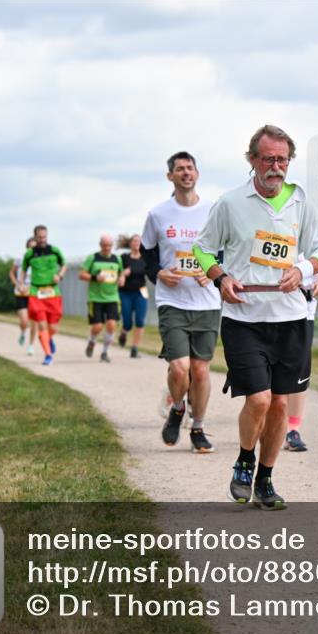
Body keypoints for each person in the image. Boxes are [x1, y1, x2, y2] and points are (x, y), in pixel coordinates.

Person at [193, 125, 318, 509]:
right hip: (244, 317)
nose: (276, 167)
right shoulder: (230, 203)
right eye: (268, 158)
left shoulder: (301, 203)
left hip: (291, 318)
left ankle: (266, 479)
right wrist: (220, 278)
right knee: (258, 400)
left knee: (279, 405)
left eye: (282, 159)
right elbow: (204, 250)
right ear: (252, 160)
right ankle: (244, 461)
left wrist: (304, 271)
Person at [141, 151, 220, 454]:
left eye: (190, 168)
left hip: (206, 302)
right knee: (179, 368)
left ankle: (198, 427)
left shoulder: (213, 211)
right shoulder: (158, 214)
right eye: (179, 169)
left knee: (200, 371)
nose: (186, 173)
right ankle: (177, 409)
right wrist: (159, 272)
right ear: (170, 176)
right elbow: (147, 256)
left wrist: (212, 273)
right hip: (172, 300)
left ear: (197, 174)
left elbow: (226, 251)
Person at [284, 270, 318, 452]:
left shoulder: (312, 244)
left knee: (298, 375)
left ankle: (293, 430)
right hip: (268, 313)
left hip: (304, 315)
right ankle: (266, 420)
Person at [22, 225, 67, 366]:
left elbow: (64, 264)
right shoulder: (29, 254)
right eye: (40, 237)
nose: (42, 239)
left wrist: (59, 276)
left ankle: (48, 338)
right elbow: (23, 270)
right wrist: (22, 284)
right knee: (42, 326)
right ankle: (48, 355)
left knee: (53, 328)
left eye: (44, 237)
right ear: (35, 237)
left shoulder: (55, 251)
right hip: (36, 292)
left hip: (53, 292)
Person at [79, 234, 123, 363]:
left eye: (109, 245)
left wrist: (121, 279)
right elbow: (81, 274)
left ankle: (104, 352)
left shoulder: (117, 259)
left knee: (111, 325)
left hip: (112, 297)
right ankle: (92, 341)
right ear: (100, 245)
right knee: (97, 326)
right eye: (105, 245)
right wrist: (94, 278)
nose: (107, 248)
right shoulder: (92, 258)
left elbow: (121, 274)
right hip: (96, 298)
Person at [117, 234, 149, 359]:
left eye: (139, 241)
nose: (137, 243)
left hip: (140, 293)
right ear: (130, 244)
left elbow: (152, 272)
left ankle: (134, 348)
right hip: (125, 293)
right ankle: (124, 333)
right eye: (134, 241)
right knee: (127, 322)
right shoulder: (124, 258)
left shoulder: (145, 259)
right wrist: (122, 274)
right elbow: (116, 271)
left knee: (140, 321)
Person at [10, 238, 38, 354]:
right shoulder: (20, 259)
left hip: (34, 293)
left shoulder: (39, 261)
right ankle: (22, 332)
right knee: (24, 321)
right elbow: (11, 272)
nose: (32, 249)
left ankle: (31, 345)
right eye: (30, 246)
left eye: (34, 247)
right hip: (21, 292)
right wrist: (17, 284)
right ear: (27, 247)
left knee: (34, 321)